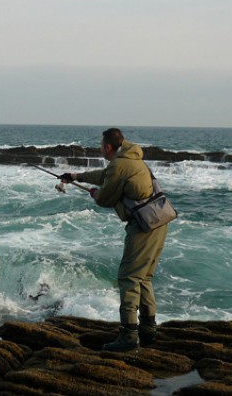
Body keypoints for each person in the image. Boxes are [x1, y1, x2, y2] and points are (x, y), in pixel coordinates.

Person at [59, 128, 169, 352]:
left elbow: (105, 197)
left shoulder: (119, 165)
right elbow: (105, 176)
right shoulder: (130, 159)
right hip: (160, 219)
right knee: (144, 277)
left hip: (143, 225)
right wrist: (75, 177)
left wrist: (94, 194)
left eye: (101, 145)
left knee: (128, 277)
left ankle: (129, 336)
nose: (100, 149)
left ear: (107, 147)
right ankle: (148, 330)